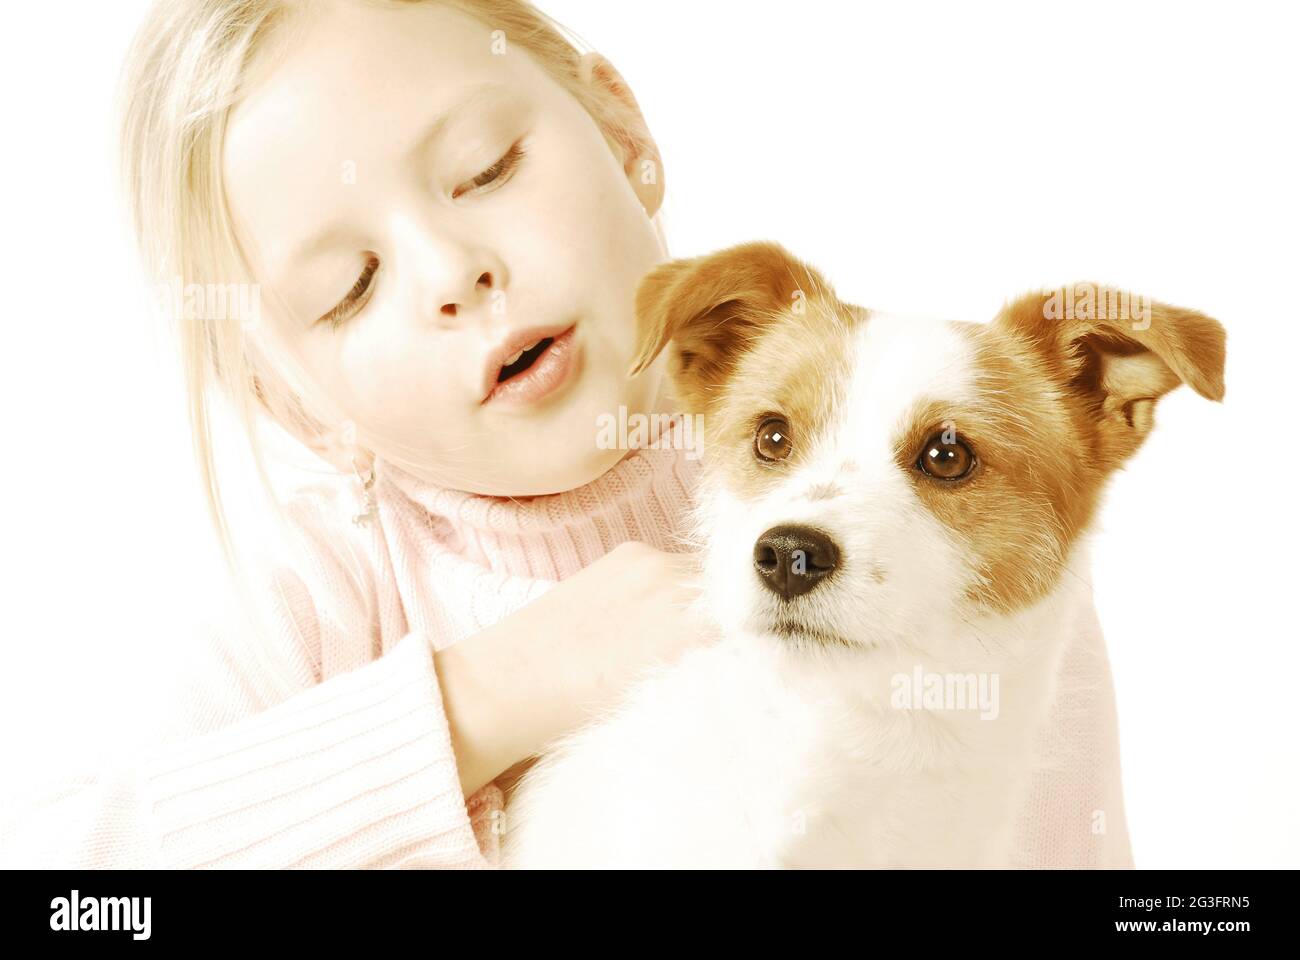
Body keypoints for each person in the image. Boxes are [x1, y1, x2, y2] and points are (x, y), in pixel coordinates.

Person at [0, 0, 1132, 868]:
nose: (453, 273)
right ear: (293, 401)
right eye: (350, 288)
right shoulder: (312, 597)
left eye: (485, 170)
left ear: (622, 131)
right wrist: (480, 701)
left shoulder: (941, 537)